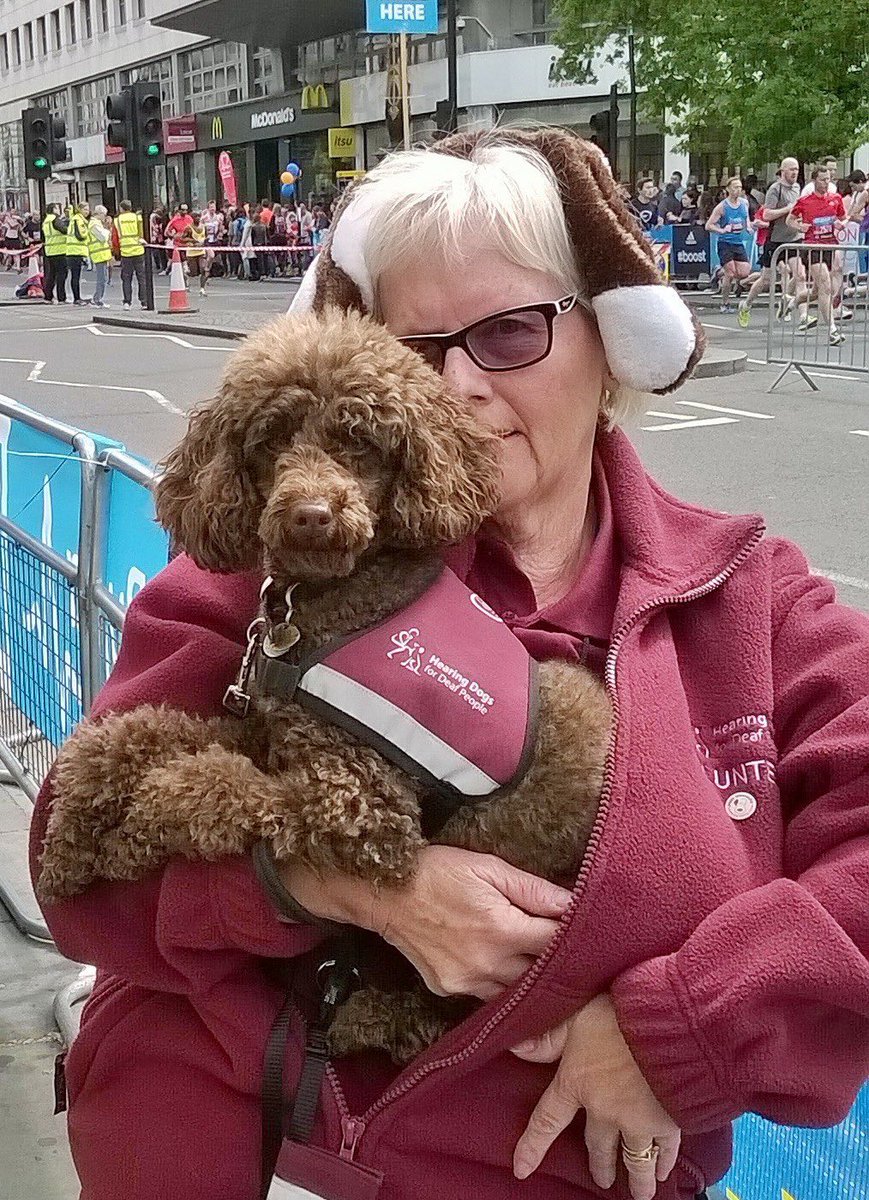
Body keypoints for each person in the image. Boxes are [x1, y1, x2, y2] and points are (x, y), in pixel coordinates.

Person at [32, 127, 869, 1200]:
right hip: (237, 1140)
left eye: (510, 332)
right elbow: (76, 853)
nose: (459, 386)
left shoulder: (745, 599)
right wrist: (345, 883)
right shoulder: (280, 573)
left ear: (607, 342)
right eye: (416, 350)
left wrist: (686, 1029)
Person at [737, 157, 805, 326]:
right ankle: (746, 304)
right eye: (791, 170)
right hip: (775, 239)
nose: (794, 173)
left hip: (793, 238)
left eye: (796, 169)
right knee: (766, 279)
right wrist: (787, 209)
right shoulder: (776, 189)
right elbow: (766, 215)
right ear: (782, 171)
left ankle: (795, 310)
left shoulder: (797, 188)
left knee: (800, 275)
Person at [787, 165, 847, 344]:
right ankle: (832, 330)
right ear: (814, 181)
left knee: (816, 291)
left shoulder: (836, 199)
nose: (826, 183)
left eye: (828, 179)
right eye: (822, 179)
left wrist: (840, 224)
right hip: (812, 247)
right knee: (826, 286)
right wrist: (799, 227)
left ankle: (793, 301)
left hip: (830, 246)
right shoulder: (805, 201)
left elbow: (842, 218)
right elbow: (789, 219)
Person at [705, 176, 753, 313]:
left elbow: (746, 219)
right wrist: (721, 230)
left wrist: (749, 227)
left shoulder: (744, 203)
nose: (738, 190)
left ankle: (718, 272)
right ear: (728, 189)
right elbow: (709, 226)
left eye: (739, 187)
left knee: (744, 272)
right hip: (725, 243)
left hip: (737, 242)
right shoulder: (722, 207)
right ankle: (725, 304)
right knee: (730, 274)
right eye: (734, 187)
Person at [114, 198, 146, 309]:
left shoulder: (117, 220)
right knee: (141, 277)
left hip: (126, 252)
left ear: (121, 208)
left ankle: (127, 302)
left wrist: (116, 252)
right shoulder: (137, 218)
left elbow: (115, 238)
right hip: (138, 250)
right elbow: (142, 233)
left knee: (126, 278)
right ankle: (144, 301)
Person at [41, 203, 68, 303]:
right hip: (60, 250)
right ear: (54, 209)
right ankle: (61, 297)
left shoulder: (46, 221)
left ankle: (48, 296)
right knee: (61, 275)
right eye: (57, 208)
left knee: (51, 275)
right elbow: (63, 230)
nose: (58, 210)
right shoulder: (55, 219)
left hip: (50, 251)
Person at [64, 202, 91, 305]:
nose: (87, 212)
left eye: (88, 210)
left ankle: (77, 297)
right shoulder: (78, 220)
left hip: (75, 251)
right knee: (76, 276)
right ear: (80, 209)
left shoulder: (77, 219)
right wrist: (88, 231)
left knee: (76, 276)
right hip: (75, 251)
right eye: (85, 209)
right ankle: (77, 298)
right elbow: (80, 235)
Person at [86, 204, 112, 307]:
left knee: (103, 278)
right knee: (102, 279)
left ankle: (97, 298)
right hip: (99, 254)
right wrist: (107, 231)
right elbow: (102, 237)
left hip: (102, 254)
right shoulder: (94, 224)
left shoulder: (96, 223)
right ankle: (97, 299)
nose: (104, 217)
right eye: (104, 215)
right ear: (100, 214)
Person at [183, 210, 208, 296]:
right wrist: (192, 241)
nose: (198, 218)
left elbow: (206, 237)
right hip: (191, 253)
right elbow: (183, 238)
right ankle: (186, 274)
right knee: (193, 273)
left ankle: (202, 289)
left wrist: (203, 242)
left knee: (204, 269)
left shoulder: (204, 227)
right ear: (192, 218)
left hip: (201, 252)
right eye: (196, 217)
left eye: (199, 216)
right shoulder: (188, 228)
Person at [150, 206, 169, 274]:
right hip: (161, 240)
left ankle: (165, 268)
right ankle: (164, 267)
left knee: (164, 255)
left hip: (163, 240)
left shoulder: (163, 222)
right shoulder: (160, 222)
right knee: (162, 254)